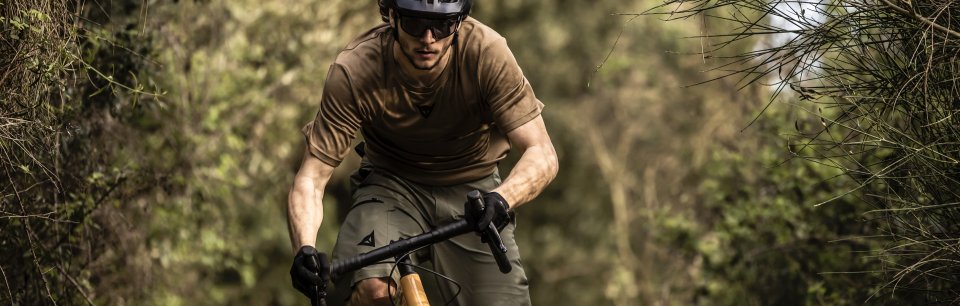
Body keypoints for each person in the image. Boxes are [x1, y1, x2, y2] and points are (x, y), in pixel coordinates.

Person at [287, 0, 558, 304]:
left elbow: (542, 154)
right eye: (416, 24)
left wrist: (503, 198)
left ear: (459, 21)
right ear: (391, 15)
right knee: (375, 291)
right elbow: (311, 178)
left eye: (442, 25)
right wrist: (304, 249)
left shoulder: (486, 52)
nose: (428, 38)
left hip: (475, 195)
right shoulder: (356, 69)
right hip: (391, 185)